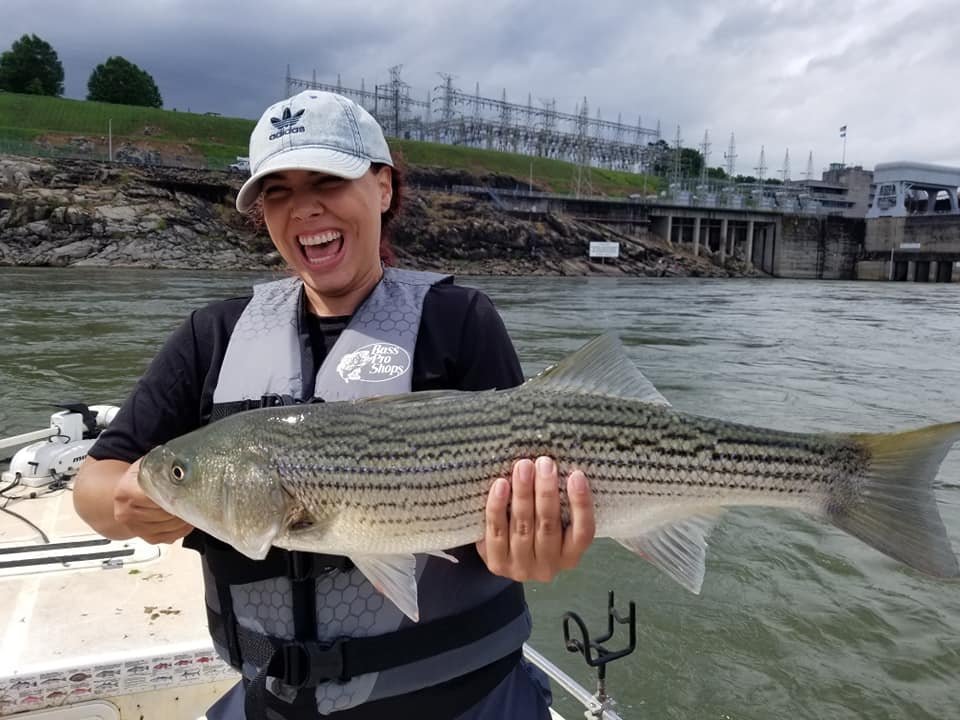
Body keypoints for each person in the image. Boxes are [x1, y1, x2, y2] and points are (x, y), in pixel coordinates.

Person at [74, 90, 596, 719]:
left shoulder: (459, 321)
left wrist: (537, 547)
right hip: (273, 701)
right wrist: (127, 504)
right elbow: (97, 482)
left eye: (326, 179)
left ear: (382, 188)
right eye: (278, 192)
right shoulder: (210, 335)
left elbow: (525, 483)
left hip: (468, 699)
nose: (304, 209)